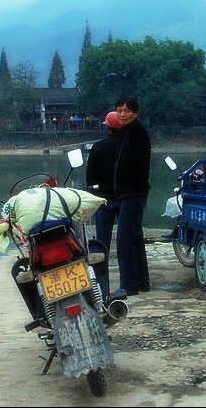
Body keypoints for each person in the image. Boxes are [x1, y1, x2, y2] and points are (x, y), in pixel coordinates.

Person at [111, 95, 151, 298]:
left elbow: (132, 166)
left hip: (133, 192)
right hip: (129, 192)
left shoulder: (137, 133)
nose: (122, 114)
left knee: (124, 239)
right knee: (135, 237)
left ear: (136, 113)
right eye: (119, 110)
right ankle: (142, 281)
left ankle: (128, 285)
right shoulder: (127, 132)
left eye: (126, 111)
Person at [85, 111, 122, 295]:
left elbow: (89, 178)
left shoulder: (98, 148)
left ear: (106, 126)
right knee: (126, 240)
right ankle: (128, 280)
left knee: (102, 243)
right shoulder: (127, 147)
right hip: (125, 198)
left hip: (103, 200)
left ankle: (102, 282)